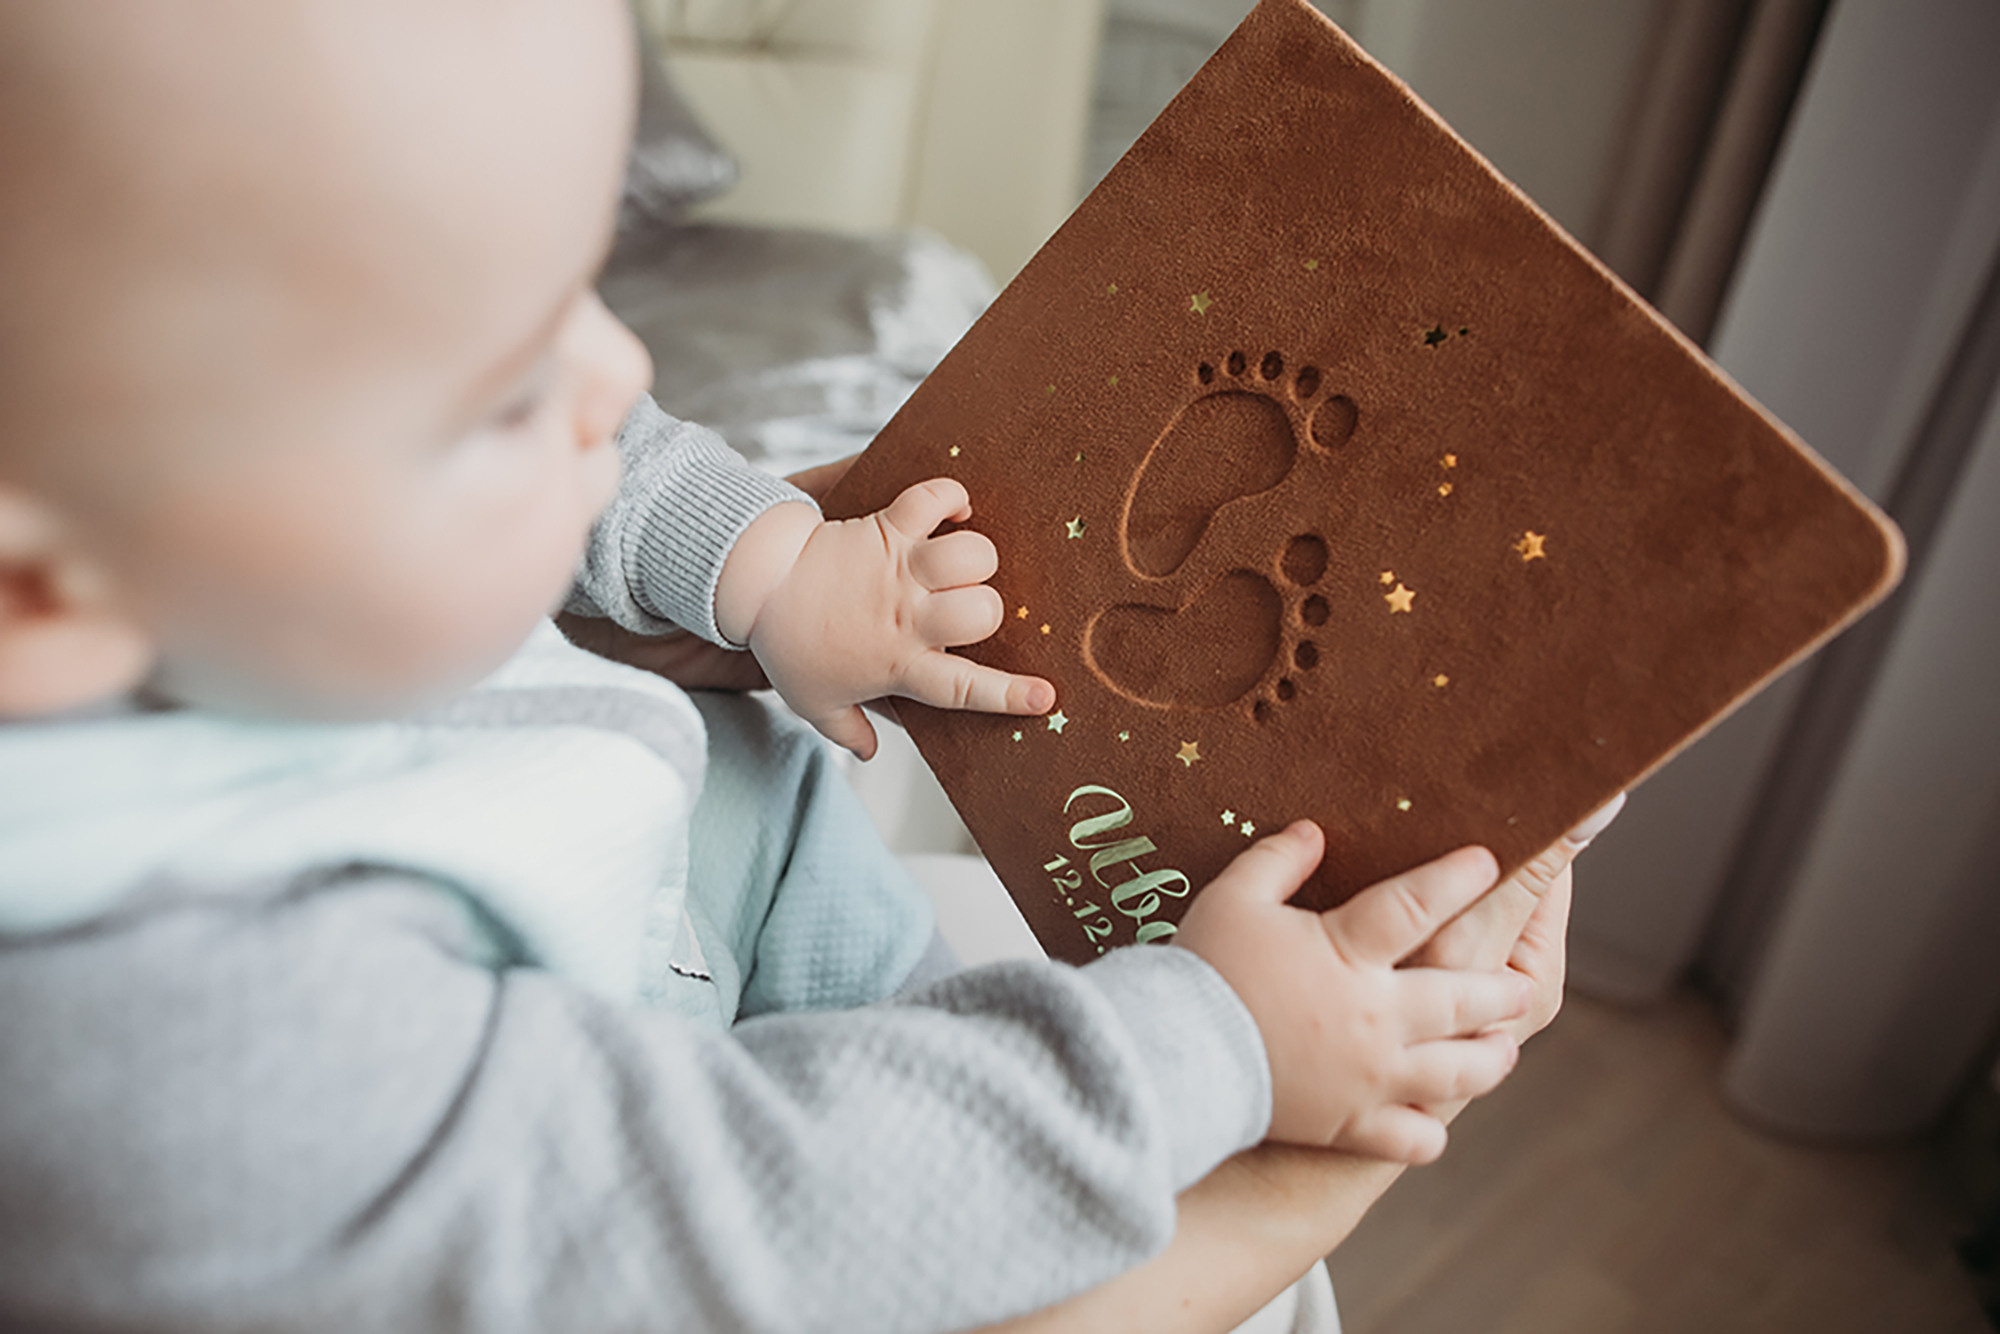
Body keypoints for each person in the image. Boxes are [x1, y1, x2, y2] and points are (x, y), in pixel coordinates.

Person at [0, 3, 1603, 1330]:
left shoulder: (159, 504)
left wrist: (759, 567)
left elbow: (578, 439)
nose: (624, 371)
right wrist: (1217, 1045)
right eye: (501, 399)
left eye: (585, 295)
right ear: (35, 592)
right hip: (719, 1166)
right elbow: (772, 1197)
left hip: (739, 900)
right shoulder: (186, 1072)